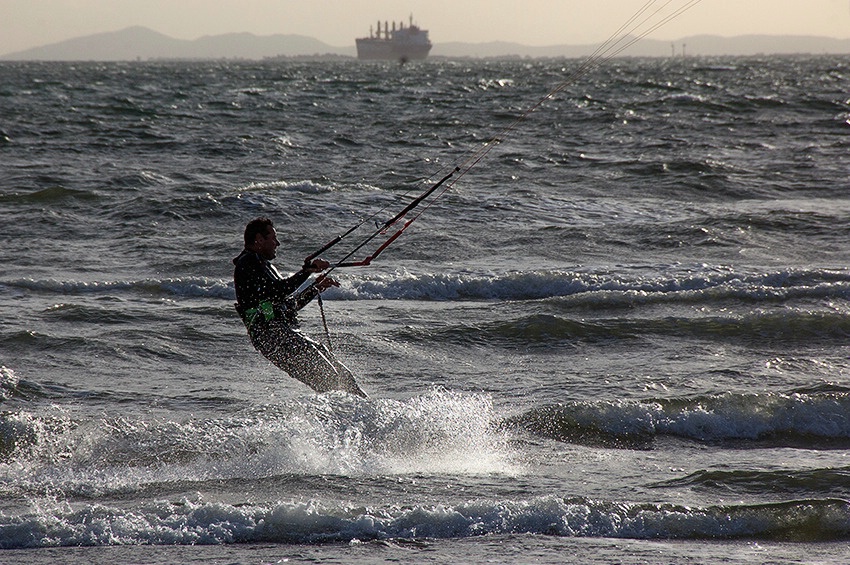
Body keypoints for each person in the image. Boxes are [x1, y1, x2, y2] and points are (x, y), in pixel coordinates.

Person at [233, 217, 367, 397]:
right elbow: (277, 291)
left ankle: (368, 416)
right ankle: (347, 421)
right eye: (273, 238)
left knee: (345, 377)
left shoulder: (263, 265)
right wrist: (307, 271)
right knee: (330, 381)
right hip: (271, 337)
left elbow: (287, 305)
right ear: (259, 239)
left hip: (284, 332)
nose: (277, 243)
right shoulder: (247, 263)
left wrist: (315, 288)